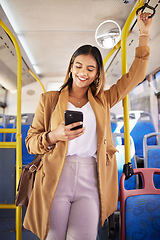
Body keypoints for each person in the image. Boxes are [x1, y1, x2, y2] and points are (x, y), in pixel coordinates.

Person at [23, 11, 152, 240]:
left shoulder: (103, 100)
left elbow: (135, 76)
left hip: (91, 176)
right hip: (56, 176)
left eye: (90, 69)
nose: (83, 73)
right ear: (71, 66)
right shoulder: (49, 100)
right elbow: (31, 142)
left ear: (97, 74)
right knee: (53, 237)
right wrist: (54, 135)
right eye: (79, 66)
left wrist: (144, 34)